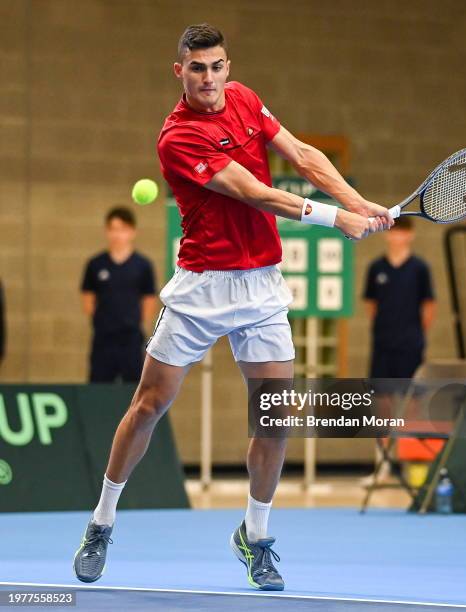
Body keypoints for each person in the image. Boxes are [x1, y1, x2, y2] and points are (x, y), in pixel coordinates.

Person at [74, 23, 392, 590]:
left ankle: (255, 536)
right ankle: (101, 521)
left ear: (227, 64)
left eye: (217, 65)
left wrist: (357, 200)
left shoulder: (244, 98)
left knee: (273, 420)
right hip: (202, 289)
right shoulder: (176, 138)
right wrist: (331, 218)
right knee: (149, 405)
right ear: (180, 72)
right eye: (198, 68)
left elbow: (301, 154)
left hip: (263, 288)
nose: (210, 78)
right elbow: (253, 191)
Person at [363, 215, 436, 479]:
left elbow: (428, 306)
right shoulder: (375, 268)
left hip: (410, 346)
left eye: (402, 232)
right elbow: (371, 305)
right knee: (382, 404)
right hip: (383, 344)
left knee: (411, 403)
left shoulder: (419, 269)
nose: (397, 237)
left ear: (410, 235)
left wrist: (414, 334)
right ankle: (382, 465)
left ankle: (412, 463)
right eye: (393, 232)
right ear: (386, 234)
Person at [81, 207, 157, 383]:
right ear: (107, 231)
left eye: (122, 229)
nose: (117, 234)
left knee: (133, 388)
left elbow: (149, 299)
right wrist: (103, 320)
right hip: (103, 338)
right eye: (113, 229)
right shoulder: (95, 264)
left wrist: (135, 322)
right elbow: (87, 298)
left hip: (131, 338)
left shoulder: (143, 265)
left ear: (132, 232)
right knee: (99, 386)